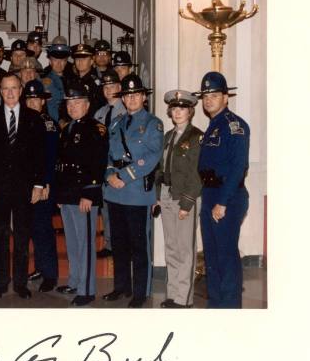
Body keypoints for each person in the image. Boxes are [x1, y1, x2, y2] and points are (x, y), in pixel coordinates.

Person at [0, 73, 46, 300]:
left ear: (21, 89)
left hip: (25, 188)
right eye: (5, 88)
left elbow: (40, 155)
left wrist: (38, 184)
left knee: (22, 236)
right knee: (0, 236)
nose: (9, 93)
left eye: (14, 88)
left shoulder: (34, 118)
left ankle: (20, 283)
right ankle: (0, 282)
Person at [103, 74, 163, 308]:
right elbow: (109, 153)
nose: (132, 99)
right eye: (128, 95)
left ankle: (140, 292)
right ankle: (121, 286)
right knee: (118, 244)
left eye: (136, 94)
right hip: (114, 192)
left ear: (143, 97)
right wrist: (109, 174)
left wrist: (124, 176)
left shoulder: (152, 123)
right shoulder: (116, 122)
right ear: (124, 99)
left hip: (137, 192)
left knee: (139, 246)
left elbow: (152, 157)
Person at [194, 71, 250, 309]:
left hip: (228, 195)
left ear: (226, 97)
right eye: (205, 95)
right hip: (210, 195)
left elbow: (238, 168)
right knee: (212, 257)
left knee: (226, 258)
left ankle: (230, 310)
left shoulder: (234, 125)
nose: (208, 100)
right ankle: (215, 306)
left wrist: (223, 202)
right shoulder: (212, 126)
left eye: (214, 95)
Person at [53, 87, 109, 306]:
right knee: (73, 242)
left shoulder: (96, 129)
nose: (73, 107)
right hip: (67, 194)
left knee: (85, 243)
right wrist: (59, 192)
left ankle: (87, 289)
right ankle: (75, 281)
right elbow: (61, 164)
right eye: (69, 103)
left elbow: (97, 163)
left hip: (83, 195)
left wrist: (89, 193)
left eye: (77, 103)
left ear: (87, 105)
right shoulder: (66, 129)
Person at [154, 90, 203, 308]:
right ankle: (173, 294)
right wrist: (157, 196)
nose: (178, 112)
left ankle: (184, 298)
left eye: (182, 108)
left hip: (184, 198)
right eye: (174, 108)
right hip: (166, 195)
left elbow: (197, 174)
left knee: (185, 249)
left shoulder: (196, 137)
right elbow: (161, 169)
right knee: (171, 247)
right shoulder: (168, 137)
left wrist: (187, 203)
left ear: (190, 111)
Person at [23, 80, 59, 293]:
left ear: (43, 101)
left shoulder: (48, 123)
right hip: (25, 186)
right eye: (30, 99)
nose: (33, 102)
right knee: (32, 229)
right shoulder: (22, 122)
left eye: (37, 99)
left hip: (42, 186)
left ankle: (50, 275)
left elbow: (50, 157)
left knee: (43, 229)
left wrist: (45, 183)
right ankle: (39, 267)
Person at [94, 70, 126, 259]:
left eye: (112, 86)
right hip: (103, 166)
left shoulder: (126, 110)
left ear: (119, 88)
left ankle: (121, 245)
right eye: (105, 87)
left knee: (120, 209)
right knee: (106, 207)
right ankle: (109, 243)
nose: (108, 90)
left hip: (119, 167)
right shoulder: (100, 113)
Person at [41, 36, 72, 124]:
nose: (59, 63)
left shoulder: (71, 78)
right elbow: (52, 105)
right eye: (55, 60)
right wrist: (60, 122)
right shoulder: (47, 81)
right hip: (57, 123)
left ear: (66, 62)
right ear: (50, 61)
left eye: (62, 60)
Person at [70, 42, 103, 116]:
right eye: (77, 58)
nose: (80, 61)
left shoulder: (95, 83)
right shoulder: (72, 81)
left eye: (84, 58)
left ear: (91, 61)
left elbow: (98, 107)